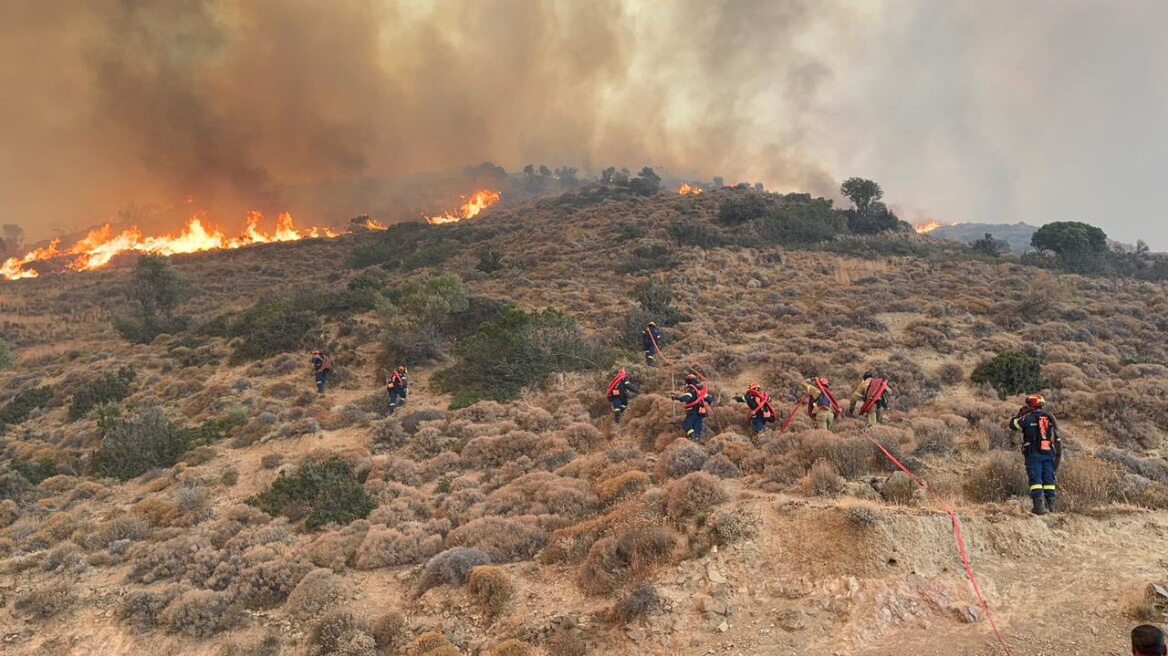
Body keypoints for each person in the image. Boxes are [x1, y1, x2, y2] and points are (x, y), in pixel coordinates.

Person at [1009, 394, 1063, 515]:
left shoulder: (1027, 418)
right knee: (1049, 479)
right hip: (1048, 453)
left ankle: (1039, 507)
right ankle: (1051, 506)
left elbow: (1013, 425)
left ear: (1031, 405)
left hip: (1033, 454)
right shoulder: (1049, 417)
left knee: (1036, 479)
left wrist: (1019, 415)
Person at [673, 373, 713, 442]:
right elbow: (709, 399)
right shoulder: (700, 390)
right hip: (700, 413)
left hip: (692, 412)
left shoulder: (691, 390)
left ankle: (692, 436)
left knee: (686, 424)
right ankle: (697, 440)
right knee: (697, 428)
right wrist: (708, 404)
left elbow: (686, 397)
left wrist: (676, 398)